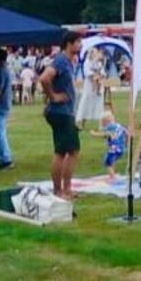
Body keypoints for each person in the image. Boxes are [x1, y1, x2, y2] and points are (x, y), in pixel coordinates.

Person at [41, 31, 83, 200]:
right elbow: (44, 78)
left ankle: (66, 189)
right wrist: (53, 97)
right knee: (63, 151)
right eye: (78, 42)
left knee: (71, 150)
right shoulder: (60, 61)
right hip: (60, 112)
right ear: (69, 43)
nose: (80, 45)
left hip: (65, 112)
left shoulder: (68, 62)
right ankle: (60, 190)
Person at [94, 109, 127, 183]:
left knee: (107, 162)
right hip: (121, 148)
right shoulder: (118, 125)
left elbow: (101, 131)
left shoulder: (109, 126)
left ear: (105, 121)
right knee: (112, 161)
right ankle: (112, 174)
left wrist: (93, 133)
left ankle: (113, 178)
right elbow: (126, 132)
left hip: (114, 148)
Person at [77, 48, 106, 126]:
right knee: (86, 102)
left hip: (98, 86)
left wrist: (99, 76)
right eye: (94, 53)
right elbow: (87, 72)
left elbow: (103, 73)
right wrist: (94, 75)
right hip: (89, 86)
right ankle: (81, 122)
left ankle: (101, 124)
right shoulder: (87, 62)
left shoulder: (99, 63)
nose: (96, 54)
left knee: (99, 104)